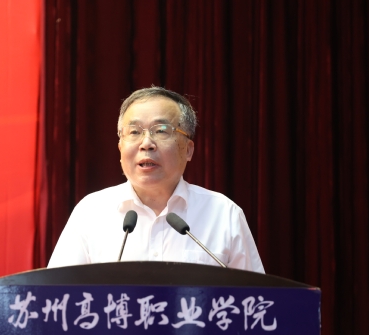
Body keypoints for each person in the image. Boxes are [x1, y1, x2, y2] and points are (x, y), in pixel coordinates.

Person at [47, 87, 264, 273]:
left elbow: (257, 300)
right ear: (120, 147)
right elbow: (56, 297)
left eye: (161, 131)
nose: (146, 144)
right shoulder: (90, 213)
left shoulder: (224, 214)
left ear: (188, 150)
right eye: (134, 132)